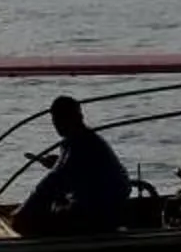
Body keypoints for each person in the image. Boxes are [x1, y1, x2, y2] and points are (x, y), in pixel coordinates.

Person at [11, 96, 131, 237]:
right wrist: (57, 163)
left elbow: (52, 183)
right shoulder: (88, 140)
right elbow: (71, 173)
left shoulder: (80, 145)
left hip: (97, 214)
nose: (56, 124)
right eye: (55, 119)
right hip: (106, 208)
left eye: (59, 119)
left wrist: (24, 211)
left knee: (28, 221)